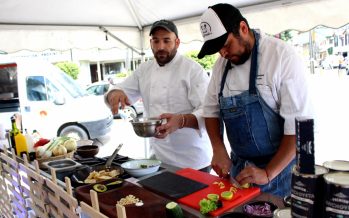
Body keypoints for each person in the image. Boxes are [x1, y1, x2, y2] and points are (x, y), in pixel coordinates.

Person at [198, 4, 313, 197]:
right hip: (241, 170)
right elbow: (210, 111)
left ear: (243, 28)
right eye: (218, 49)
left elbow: (301, 128)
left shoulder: (281, 56)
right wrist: (218, 148)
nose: (223, 54)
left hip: (283, 172)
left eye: (226, 45)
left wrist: (268, 173)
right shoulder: (222, 66)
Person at [105, 19, 213, 172]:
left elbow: (208, 111)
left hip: (192, 160)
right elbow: (121, 89)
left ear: (177, 42)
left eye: (166, 40)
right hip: (158, 159)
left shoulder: (192, 70)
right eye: (156, 41)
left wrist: (181, 121)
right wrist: (115, 93)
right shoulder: (144, 70)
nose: (160, 46)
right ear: (150, 43)